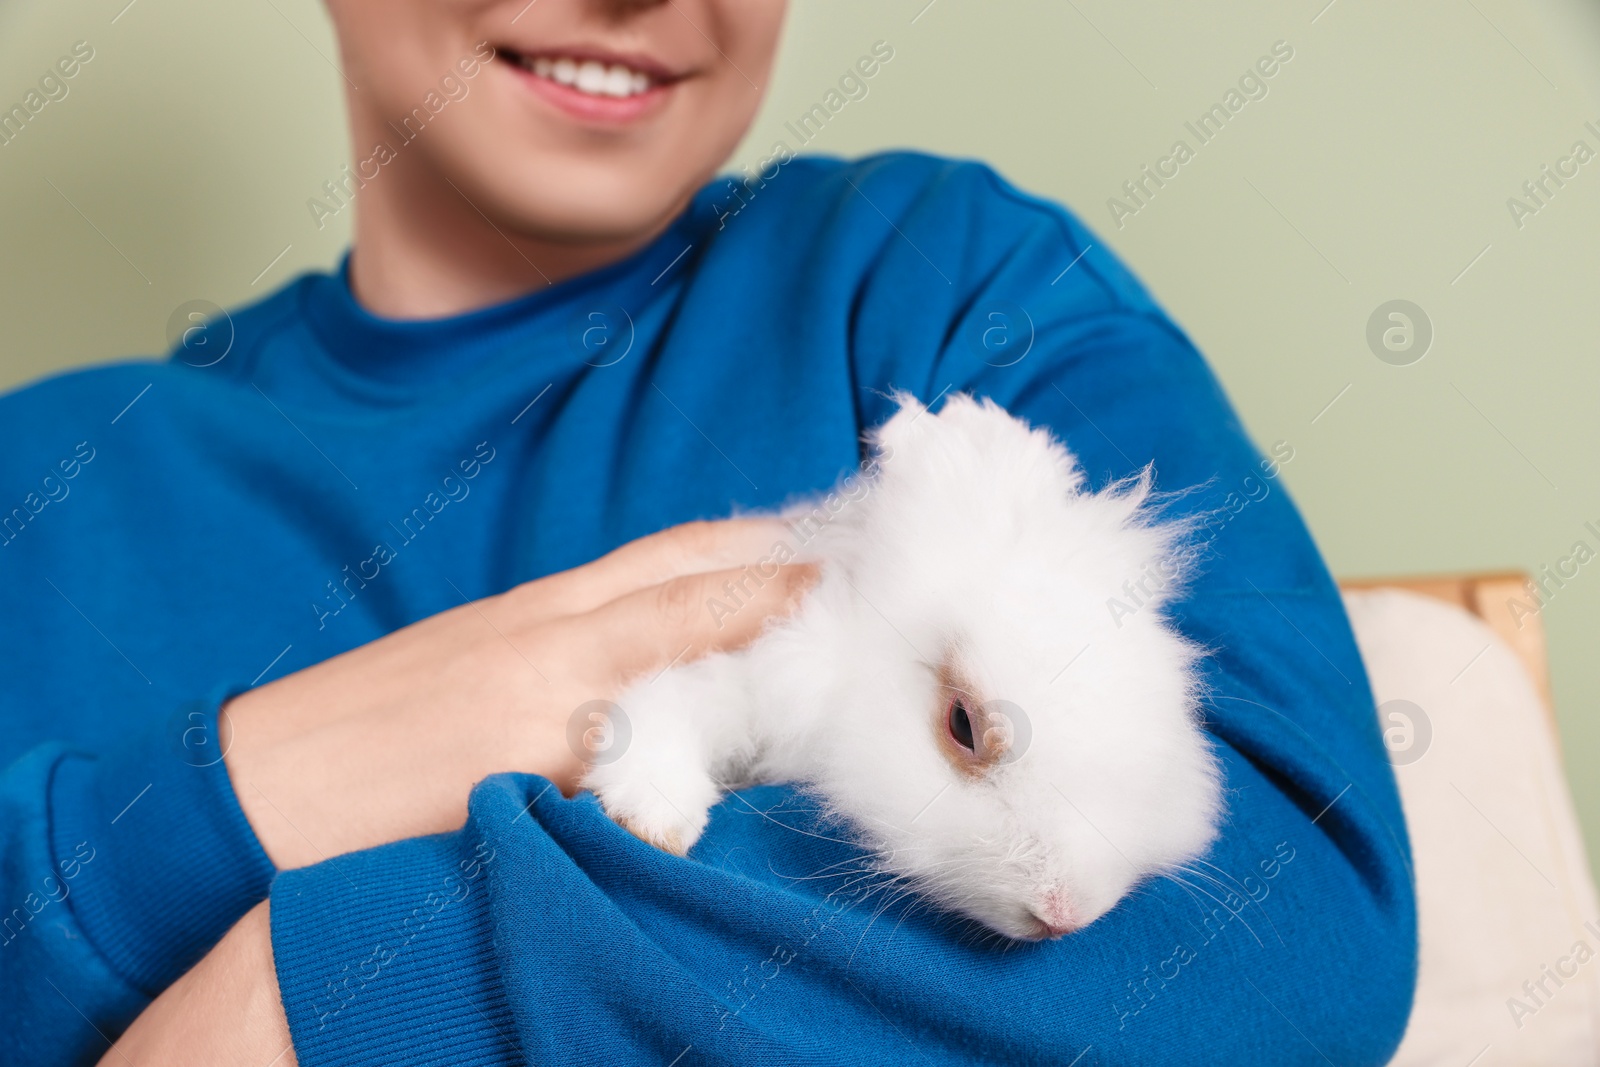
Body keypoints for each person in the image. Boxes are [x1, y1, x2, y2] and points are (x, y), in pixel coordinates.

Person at [0, 0, 1417, 1063]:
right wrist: (260, 783)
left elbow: (1286, 928)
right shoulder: (48, 481)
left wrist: (309, 998)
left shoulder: (934, 279)